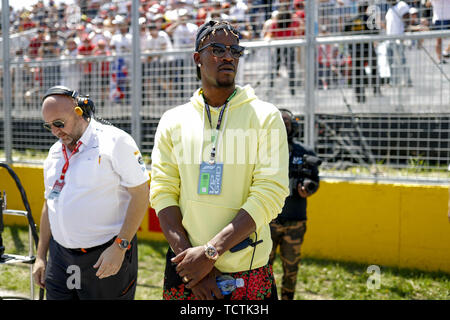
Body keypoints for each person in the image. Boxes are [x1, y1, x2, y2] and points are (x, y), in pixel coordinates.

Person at [150, 20, 289, 300]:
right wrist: (193, 263)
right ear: (197, 58)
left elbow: (271, 193)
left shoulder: (265, 116)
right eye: (217, 49)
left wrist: (210, 252)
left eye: (235, 50)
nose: (228, 56)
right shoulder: (173, 120)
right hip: (186, 267)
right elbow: (162, 192)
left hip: (246, 271)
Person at [32, 86, 150, 300]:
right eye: (48, 126)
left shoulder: (115, 141)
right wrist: (40, 256)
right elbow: (50, 203)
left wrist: (120, 246)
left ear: (80, 111)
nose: (55, 132)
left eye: (59, 123)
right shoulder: (54, 151)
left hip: (105, 254)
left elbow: (141, 194)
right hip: (61, 257)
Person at [269, 109, 320, 300]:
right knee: (264, 267)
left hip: (296, 222)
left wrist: (307, 189)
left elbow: (314, 181)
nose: (283, 127)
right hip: (269, 220)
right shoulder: (264, 151)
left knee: (291, 269)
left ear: (293, 127)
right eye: (279, 123)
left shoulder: (305, 153)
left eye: (286, 123)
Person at [344, 1, 382, 103]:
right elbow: (376, 32)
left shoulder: (351, 20)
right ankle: (376, 91)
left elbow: (344, 32)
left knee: (357, 73)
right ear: (366, 8)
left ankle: (360, 97)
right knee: (374, 70)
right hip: (367, 50)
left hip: (355, 51)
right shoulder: (369, 20)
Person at [385, 0, 413, 87]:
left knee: (402, 61)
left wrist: (404, 35)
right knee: (391, 63)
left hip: (398, 39)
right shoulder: (390, 9)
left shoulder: (401, 5)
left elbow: (407, 20)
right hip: (389, 39)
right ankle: (394, 81)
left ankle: (407, 80)